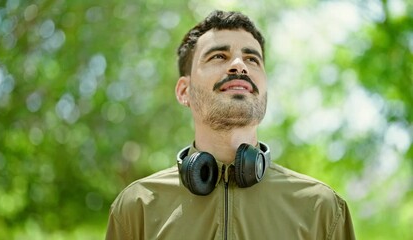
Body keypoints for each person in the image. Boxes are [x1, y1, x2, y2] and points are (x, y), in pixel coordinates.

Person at [105, 10, 356, 240]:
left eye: (252, 59)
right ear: (184, 91)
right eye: (218, 56)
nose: (239, 65)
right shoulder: (136, 208)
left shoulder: (322, 209)